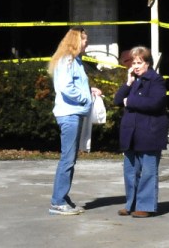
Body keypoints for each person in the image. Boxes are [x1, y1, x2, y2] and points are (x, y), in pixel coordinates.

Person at [48, 26, 101, 216]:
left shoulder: (76, 61)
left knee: (70, 158)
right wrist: (85, 98)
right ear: (76, 41)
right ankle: (58, 201)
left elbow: (75, 85)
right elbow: (66, 88)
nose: (87, 42)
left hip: (74, 114)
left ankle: (63, 198)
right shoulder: (67, 61)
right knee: (67, 159)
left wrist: (90, 90)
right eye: (84, 39)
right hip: (69, 115)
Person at [113, 46, 168, 217]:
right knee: (130, 171)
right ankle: (131, 204)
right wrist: (128, 83)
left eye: (139, 63)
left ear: (148, 64)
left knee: (148, 172)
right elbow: (117, 100)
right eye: (133, 63)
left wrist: (131, 101)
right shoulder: (134, 80)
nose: (135, 66)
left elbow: (156, 103)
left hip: (149, 132)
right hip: (131, 133)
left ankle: (145, 206)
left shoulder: (156, 80)